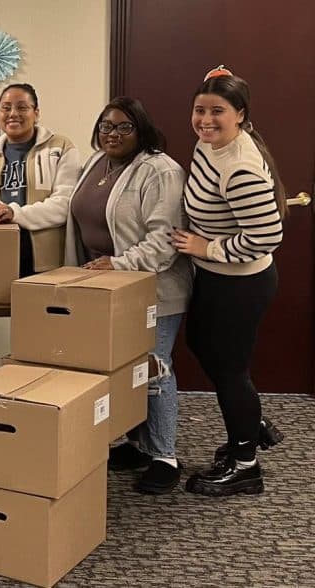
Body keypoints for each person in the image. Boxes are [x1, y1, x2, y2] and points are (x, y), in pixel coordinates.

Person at [64, 97, 191, 494]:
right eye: (106, 126)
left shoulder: (160, 170)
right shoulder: (96, 163)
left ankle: (164, 456)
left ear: (142, 130)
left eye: (124, 127)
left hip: (153, 289)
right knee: (123, 369)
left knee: (154, 368)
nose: (113, 134)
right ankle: (138, 445)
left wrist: (118, 264)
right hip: (107, 289)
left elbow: (165, 240)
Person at [173, 67, 286, 497]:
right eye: (199, 110)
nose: (205, 120)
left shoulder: (239, 168)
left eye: (217, 111)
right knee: (202, 344)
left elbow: (266, 237)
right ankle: (250, 424)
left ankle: (245, 465)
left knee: (230, 371)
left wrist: (207, 248)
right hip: (217, 277)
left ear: (240, 114)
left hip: (241, 283)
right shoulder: (210, 144)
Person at [0, 83, 82, 276]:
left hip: (47, 260)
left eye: (22, 107)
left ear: (36, 113)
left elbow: (64, 204)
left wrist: (14, 213)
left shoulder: (61, 147)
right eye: (6, 108)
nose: (13, 114)